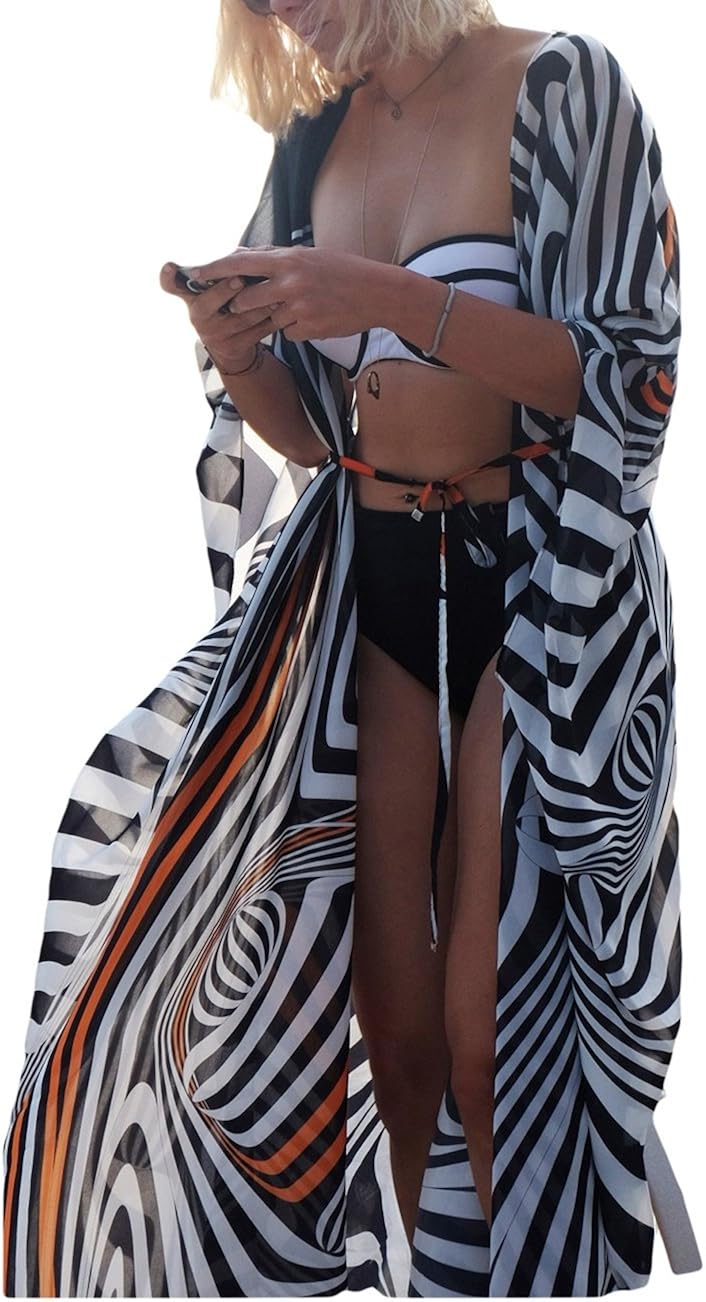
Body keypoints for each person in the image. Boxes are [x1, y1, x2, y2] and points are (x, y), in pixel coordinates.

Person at [2, 1, 700, 1297]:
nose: (285, 10)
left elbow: (631, 375)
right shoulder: (312, 134)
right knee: (397, 1043)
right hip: (368, 585)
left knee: (492, 1026)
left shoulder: (559, 85)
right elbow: (316, 440)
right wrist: (238, 352)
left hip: (538, 586)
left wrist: (387, 298)